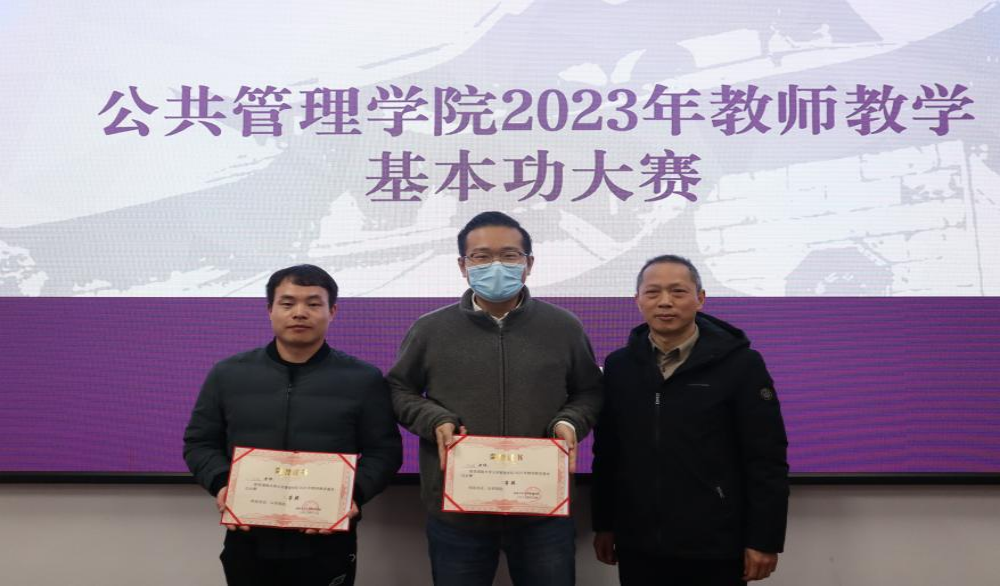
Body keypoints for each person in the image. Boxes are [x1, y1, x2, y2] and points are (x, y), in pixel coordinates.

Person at [389, 211, 603, 586]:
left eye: (509, 255)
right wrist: (435, 419)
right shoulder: (430, 329)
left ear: (529, 263)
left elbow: (590, 390)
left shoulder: (564, 327)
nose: (496, 265)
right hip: (458, 514)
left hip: (543, 511)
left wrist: (569, 423)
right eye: (482, 257)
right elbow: (397, 389)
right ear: (463, 265)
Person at [183, 264, 402, 586]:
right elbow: (199, 443)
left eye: (313, 303)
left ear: (332, 311)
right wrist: (222, 484)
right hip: (248, 537)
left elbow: (384, 451)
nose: (300, 313)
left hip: (327, 540)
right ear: (270, 310)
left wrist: (351, 495)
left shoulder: (363, 379)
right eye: (287, 303)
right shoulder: (228, 374)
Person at [591, 255, 789, 585]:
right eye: (653, 292)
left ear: (700, 298)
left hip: (716, 544)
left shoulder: (742, 365)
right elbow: (608, 453)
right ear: (637, 300)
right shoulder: (619, 366)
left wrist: (764, 539)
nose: (665, 302)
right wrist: (605, 524)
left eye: (678, 291)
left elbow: (766, 459)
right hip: (638, 543)